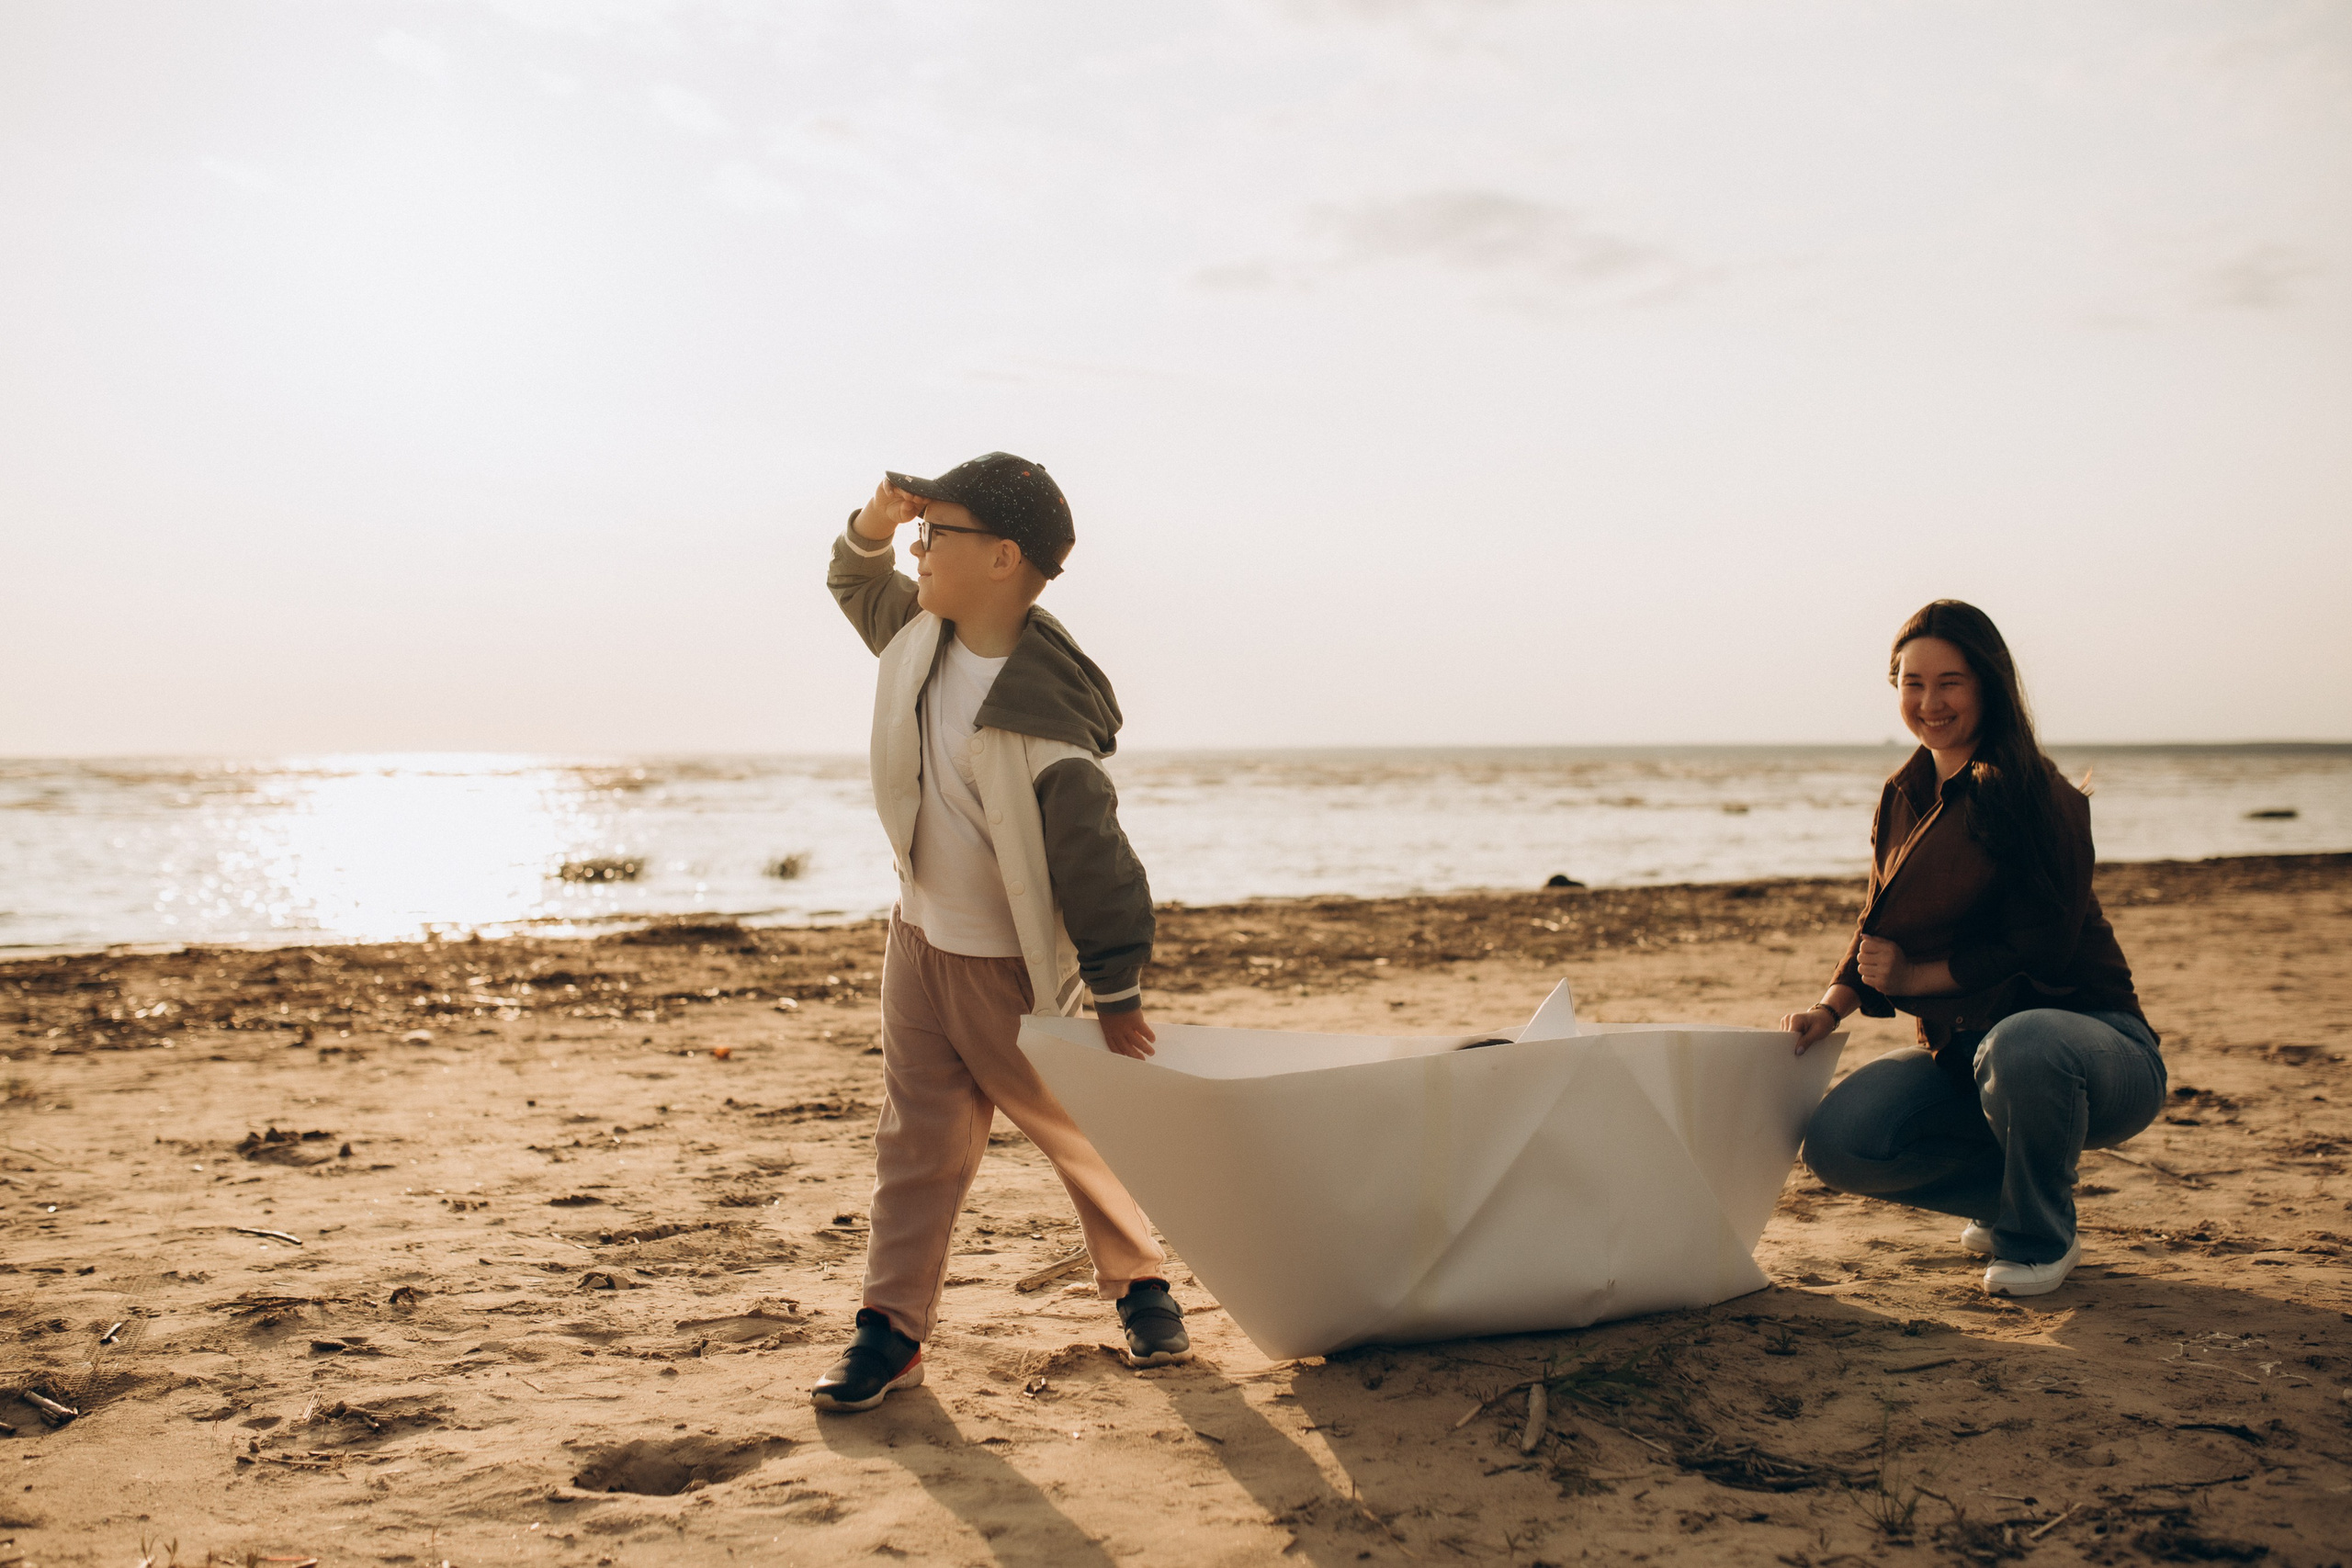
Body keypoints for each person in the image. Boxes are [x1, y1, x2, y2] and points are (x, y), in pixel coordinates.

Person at [810, 452, 1189, 1412]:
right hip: (917, 944)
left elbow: (1099, 864)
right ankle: (890, 1330)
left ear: (1003, 559)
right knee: (918, 1144)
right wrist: (877, 519)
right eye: (919, 534)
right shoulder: (917, 635)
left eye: (939, 536)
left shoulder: (1046, 715)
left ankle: (1142, 1285)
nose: (919, 550)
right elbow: (854, 575)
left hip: (1006, 974)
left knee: (1070, 1133)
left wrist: (1116, 989)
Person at [1779, 600, 2165, 1298]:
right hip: (1968, 1057)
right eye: (1912, 681)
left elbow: (2042, 951)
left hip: (2099, 1055)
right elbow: (1878, 922)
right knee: (1841, 1139)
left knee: (2023, 1042)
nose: (1930, 701)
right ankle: (2015, 1196)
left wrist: (1916, 974)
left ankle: (2039, 1235)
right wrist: (1830, 1008)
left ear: (1989, 683)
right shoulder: (1904, 793)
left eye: (1950, 681)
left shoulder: (2037, 796)